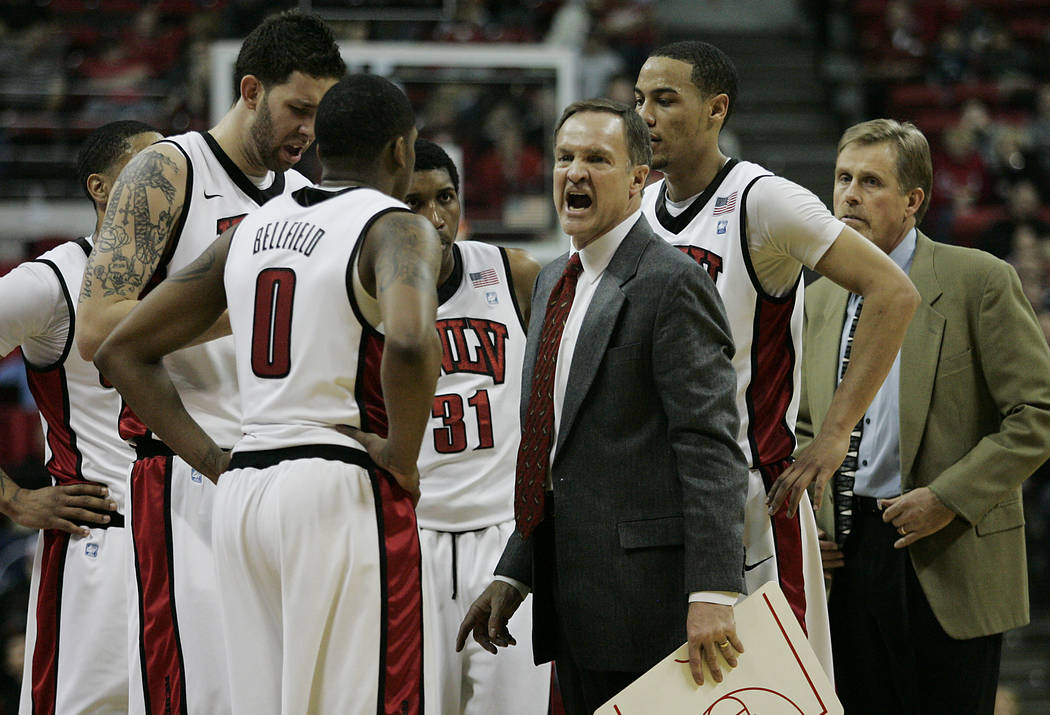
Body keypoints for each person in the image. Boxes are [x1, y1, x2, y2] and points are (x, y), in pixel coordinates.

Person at [95, 74, 441, 715]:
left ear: (321, 146)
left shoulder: (252, 230)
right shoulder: (397, 227)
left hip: (245, 490)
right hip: (334, 483)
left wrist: (211, 460)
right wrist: (403, 455)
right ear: (401, 151)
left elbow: (121, 351)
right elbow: (415, 341)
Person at [76, 11, 345, 714]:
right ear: (251, 89)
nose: (308, 132)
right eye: (297, 109)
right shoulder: (168, 169)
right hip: (188, 471)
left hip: (278, 473)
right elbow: (97, 328)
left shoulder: (300, 199)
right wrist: (228, 312)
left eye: (320, 116)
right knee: (194, 694)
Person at [634, 41, 920, 672]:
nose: (645, 117)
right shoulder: (640, 210)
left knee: (768, 691)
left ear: (716, 110)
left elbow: (894, 292)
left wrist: (837, 432)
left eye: (664, 100)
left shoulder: (764, 200)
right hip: (655, 495)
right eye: (639, 101)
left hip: (746, 500)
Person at [457, 99, 749, 715]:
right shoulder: (549, 283)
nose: (575, 173)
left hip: (654, 607)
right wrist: (517, 572)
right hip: (574, 603)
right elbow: (557, 459)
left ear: (640, 178)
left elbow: (711, 448)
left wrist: (714, 591)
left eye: (597, 159)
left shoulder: (671, 282)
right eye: (565, 157)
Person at [800, 118, 1050, 714]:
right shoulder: (820, 295)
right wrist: (816, 520)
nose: (850, 194)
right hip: (850, 555)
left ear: (913, 200)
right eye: (842, 179)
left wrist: (948, 496)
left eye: (871, 181)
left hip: (947, 541)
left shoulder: (980, 280)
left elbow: (1037, 413)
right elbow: (807, 425)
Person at [0, 120, 161, 714]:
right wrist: (15, 499)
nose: (168, 181)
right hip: (105, 547)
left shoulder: (205, 275)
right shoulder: (55, 280)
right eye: (148, 169)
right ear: (101, 187)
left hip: (200, 540)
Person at [405, 138, 550, 715]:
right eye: (415, 201)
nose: (436, 217)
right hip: (414, 536)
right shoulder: (362, 296)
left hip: (504, 536)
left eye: (446, 197)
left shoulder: (511, 272)